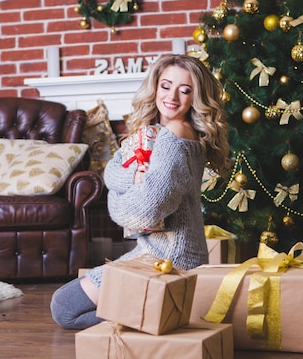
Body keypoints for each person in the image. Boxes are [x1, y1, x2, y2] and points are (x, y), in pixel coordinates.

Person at [49, 54, 230, 330]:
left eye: (185, 90)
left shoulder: (175, 136)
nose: (173, 96)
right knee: (70, 295)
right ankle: (155, 315)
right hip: (157, 252)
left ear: (196, 98)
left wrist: (116, 199)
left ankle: (154, 317)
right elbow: (110, 172)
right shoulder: (155, 132)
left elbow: (142, 212)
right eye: (166, 86)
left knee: (64, 307)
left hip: (169, 260)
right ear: (155, 87)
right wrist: (135, 176)